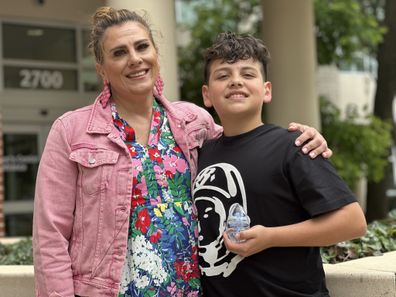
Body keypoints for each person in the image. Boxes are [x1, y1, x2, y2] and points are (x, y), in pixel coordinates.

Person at [32, 7, 332, 297]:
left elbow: (246, 144)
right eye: (119, 53)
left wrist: (303, 137)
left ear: (156, 55)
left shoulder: (193, 121)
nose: (135, 59)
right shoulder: (72, 131)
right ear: (102, 70)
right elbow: (50, 235)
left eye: (141, 47)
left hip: (191, 289)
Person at [192, 32, 367, 297]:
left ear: (267, 90)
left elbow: (352, 221)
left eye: (248, 74)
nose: (236, 81)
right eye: (223, 75)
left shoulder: (295, 146)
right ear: (207, 95)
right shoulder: (198, 154)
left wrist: (271, 237)